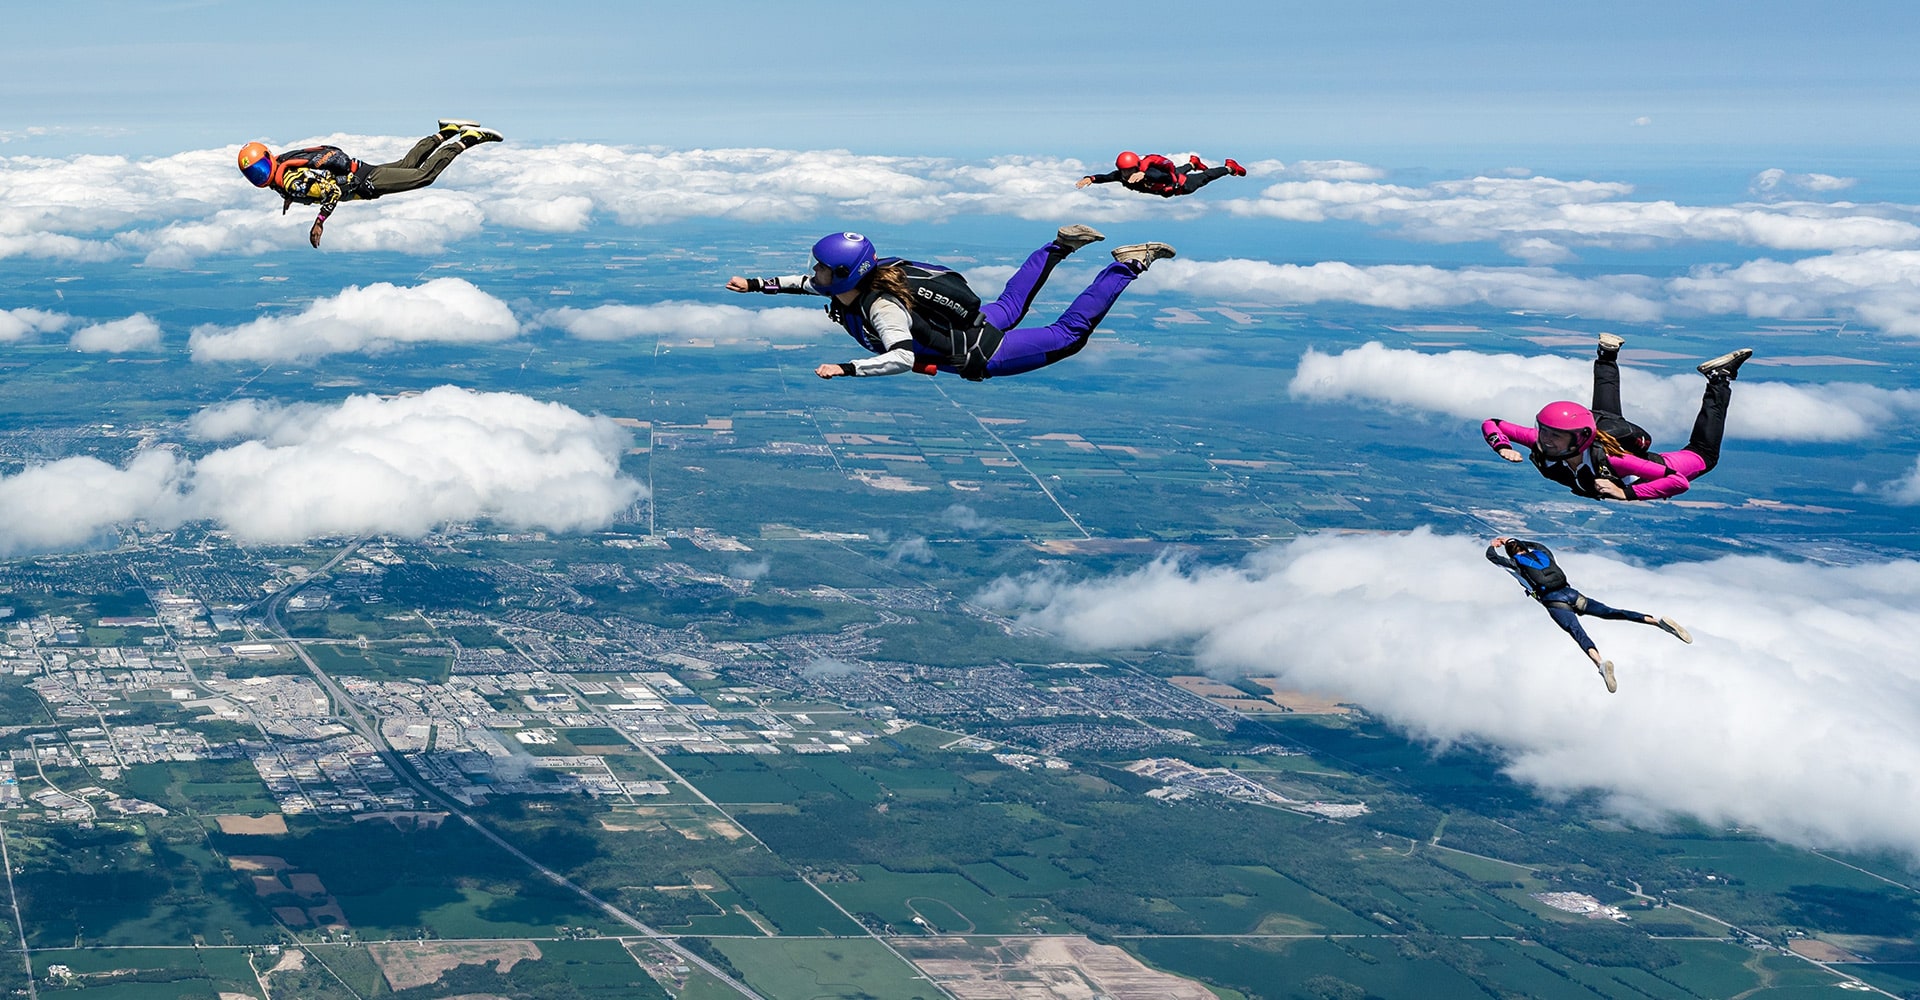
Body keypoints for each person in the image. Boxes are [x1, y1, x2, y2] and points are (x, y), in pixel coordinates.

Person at [724, 226, 1175, 382]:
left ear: (846, 275)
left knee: (1068, 336)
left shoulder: (883, 308)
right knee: (1012, 303)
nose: (815, 272)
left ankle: (1127, 266)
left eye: (824, 268)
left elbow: (899, 357)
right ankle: (1058, 247)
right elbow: (805, 284)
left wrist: (844, 370)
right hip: (970, 325)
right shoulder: (860, 281)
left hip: (981, 351)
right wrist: (757, 284)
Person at [1481, 333, 1752, 501]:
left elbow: (1677, 481)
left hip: (1653, 466)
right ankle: (1606, 355)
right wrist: (1501, 445)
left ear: (1580, 439)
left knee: (1704, 455)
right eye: (1545, 430)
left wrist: (1626, 494)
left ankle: (1719, 380)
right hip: (1601, 437)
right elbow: (1492, 424)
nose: (1547, 440)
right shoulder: (1540, 441)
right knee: (1605, 417)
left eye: (1556, 434)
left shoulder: (1617, 461)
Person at [237, 119, 504, 247]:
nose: (261, 175)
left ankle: (466, 138)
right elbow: (303, 175)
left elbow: (329, 192)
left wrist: (318, 222)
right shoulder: (282, 167)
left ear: (269, 159)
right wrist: (291, 194)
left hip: (364, 182)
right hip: (360, 169)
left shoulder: (288, 180)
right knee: (407, 166)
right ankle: (444, 131)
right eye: (255, 174)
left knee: (424, 176)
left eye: (261, 169)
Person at [1485, 536, 1692, 693]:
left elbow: (1492, 557)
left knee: (1577, 633)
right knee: (1611, 612)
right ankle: (1657, 622)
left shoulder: (1515, 564)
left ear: (1512, 553)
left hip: (1554, 602)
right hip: (1573, 594)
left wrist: (1494, 544)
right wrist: (1514, 540)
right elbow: (1538, 546)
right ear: (1523, 546)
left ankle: (1601, 664)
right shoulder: (1544, 554)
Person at [1076, 152, 1246, 197]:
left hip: (1182, 185)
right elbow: (1105, 177)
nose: (1126, 174)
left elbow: (1163, 178)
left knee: (1206, 177)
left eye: (1129, 170)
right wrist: (1090, 178)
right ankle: (1193, 163)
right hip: (1172, 176)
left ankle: (1229, 168)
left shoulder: (1151, 173)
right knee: (1179, 169)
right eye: (1123, 170)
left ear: (1137, 166)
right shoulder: (1121, 176)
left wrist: (1145, 176)